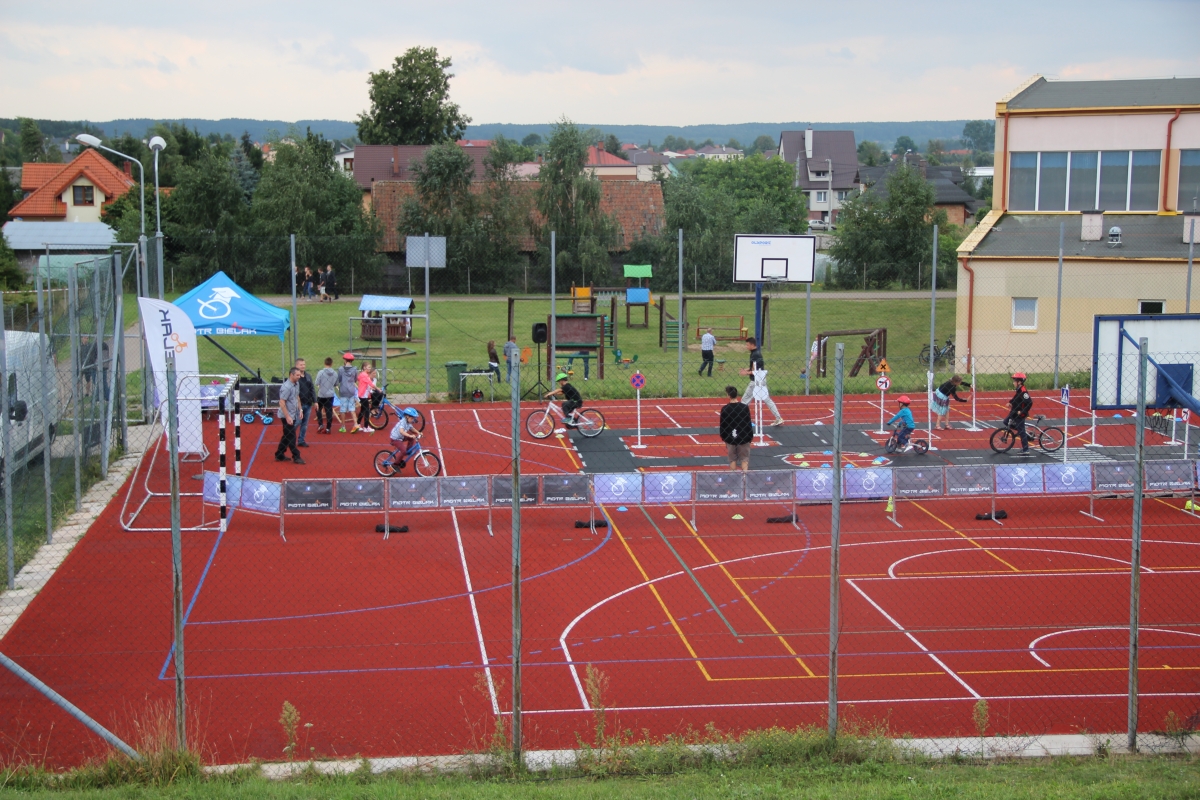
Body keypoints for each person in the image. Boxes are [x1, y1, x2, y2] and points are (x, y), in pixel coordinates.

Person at [740, 337, 784, 426]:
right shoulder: (756, 353)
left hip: (755, 381)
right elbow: (754, 368)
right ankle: (778, 418)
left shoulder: (755, 355)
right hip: (761, 379)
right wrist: (746, 369)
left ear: (752, 345)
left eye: (747, 345)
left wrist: (746, 373)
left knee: (744, 401)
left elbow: (755, 370)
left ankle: (741, 420)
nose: (746, 346)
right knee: (767, 399)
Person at [719, 385, 754, 472]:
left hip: (730, 438)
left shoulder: (725, 409)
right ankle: (745, 477)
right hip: (743, 437)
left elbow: (723, 426)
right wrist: (750, 437)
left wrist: (724, 438)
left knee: (732, 460)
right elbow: (748, 423)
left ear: (728, 395)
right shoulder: (744, 407)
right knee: (744, 459)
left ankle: (733, 477)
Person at [274, 368, 305, 464]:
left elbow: (297, 397)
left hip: (293, 414)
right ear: (291, 375)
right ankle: (296, 456)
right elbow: (282, 402)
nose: (299, 377)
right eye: (297, 375)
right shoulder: (286, 387)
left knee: (287, 435)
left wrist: (300, 409)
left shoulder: (297, 384)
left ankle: (279, 454)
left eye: (300, 375)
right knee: (291, 436)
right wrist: (287, 417)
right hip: (286, 416)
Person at [1006, 371, 1034, 453]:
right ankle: (1022, 431)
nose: (1013, 383)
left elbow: (1029, 402)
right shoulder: (1019, 390)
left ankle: (1026, 449)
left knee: (1021, 431)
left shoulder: (1023, 391)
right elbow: (1016, 398)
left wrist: (1022, 411)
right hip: (1014, 411)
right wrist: (1011, 402)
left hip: (1020, 414)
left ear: (1019, 382)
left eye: (1014, 381)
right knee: (1006, 421)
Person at [335, 353, 359, 432]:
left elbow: (339, 379)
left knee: (343, 409)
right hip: (351, 390)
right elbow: (355, 379)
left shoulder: (341, 369)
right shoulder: (355, 369)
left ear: (345, 360)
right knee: (352, 408)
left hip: (343, 390)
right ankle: (355, 424)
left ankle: (343, 426)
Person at [294, 358, 315, 446]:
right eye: (301, 365)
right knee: (297, 422)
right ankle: (289, 437)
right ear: (296, 366)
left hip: (308, 403)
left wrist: (315, 401)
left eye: (304, 364)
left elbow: (312, 389)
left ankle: (301, 440)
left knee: (305, 424)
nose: (303, 366)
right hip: (298, 405)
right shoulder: (295, 377)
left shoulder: (308, 376)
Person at [314, 356, 337, 434]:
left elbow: (317, 382)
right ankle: (328, 428)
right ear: (331, 364)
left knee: (318, 408)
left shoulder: (321, 372)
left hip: (321, 394)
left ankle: (320, 424)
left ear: (324, 363)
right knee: (329, 410)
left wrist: (321, 385)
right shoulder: (335, 373)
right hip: (330, 394)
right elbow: (336, 384)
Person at [355, 361, 379, 434]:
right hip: (363, 395)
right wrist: (378, 389)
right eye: (368, 367)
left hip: (363, 395)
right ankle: (366, 427)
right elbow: (370, 383)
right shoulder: (364, 375)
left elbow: (366, 384)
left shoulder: (363, 375)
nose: (369, 368)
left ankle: (358, 425)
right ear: (364, 367)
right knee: (367, 410)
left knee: (363, 410)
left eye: (370, 367)